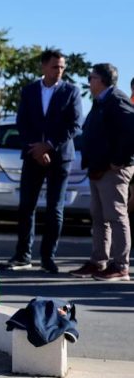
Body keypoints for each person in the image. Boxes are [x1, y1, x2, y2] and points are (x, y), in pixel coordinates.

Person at [9, 49, 83, 274]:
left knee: (55, 209)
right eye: (54, 66)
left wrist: (49, 145)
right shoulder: (30, 90)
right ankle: (22, 256)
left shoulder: (72, 91)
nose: (59, 71)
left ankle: (48, 257)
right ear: (43, 67)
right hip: (33, 156)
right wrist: (36, 148)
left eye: (62, 67)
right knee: (26, 207)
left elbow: (75, 124)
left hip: (60, 157)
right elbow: (22, 122)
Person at [73, 63, 134, 281]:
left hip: (112, 170)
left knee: (116, 216)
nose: (89, 82)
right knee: (99, 217)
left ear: (102, 80)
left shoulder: (116, 99)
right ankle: (99, 261)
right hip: (98, 169)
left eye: (92, 77)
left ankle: (120, 266)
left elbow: (131, 131)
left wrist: (120, 160)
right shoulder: (101, 101)